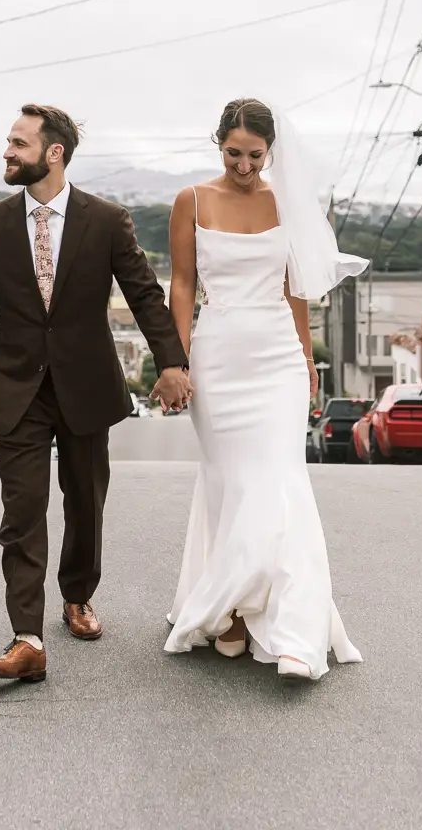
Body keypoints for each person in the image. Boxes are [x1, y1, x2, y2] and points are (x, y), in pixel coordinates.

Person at [0, 104, 194, 683]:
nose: (7, 152)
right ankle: (26, 638)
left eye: (17, 143)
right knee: (22, 510)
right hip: (17, 387)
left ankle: (78, 596)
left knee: (86, 502)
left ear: (53, 152)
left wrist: (171, 362)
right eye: (8, 142)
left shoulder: (106, 220)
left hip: (85, 384)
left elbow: (144, 294)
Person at [162, 98, 366, 681]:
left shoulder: (288, 203)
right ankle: (228, 613)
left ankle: (296, 631)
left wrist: (305, 360)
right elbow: (181, 284)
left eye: (255, 155)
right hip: (218, 355)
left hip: (277, 357)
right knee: (230, 485)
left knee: (280, 483)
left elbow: (296, 287)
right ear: (217, 145)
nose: (244, 165)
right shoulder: (191, 201)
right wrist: (175, 362)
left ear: (270, 152)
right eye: (233, 153)